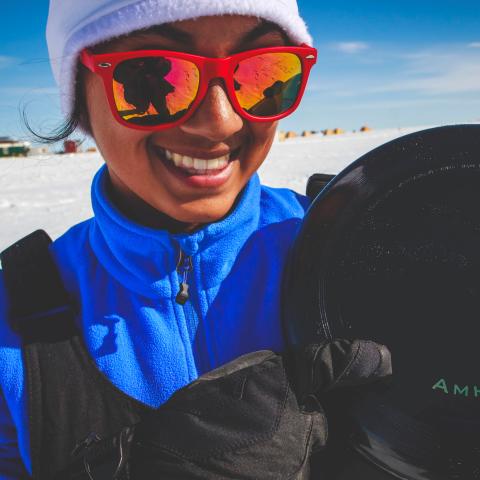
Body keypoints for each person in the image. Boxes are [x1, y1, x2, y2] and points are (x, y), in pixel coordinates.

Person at [0, 1, 390, 478]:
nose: (220, 121)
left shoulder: (357, 248)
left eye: (262, 75)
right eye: (152, 77)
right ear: (78, 94)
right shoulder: (13, 324)